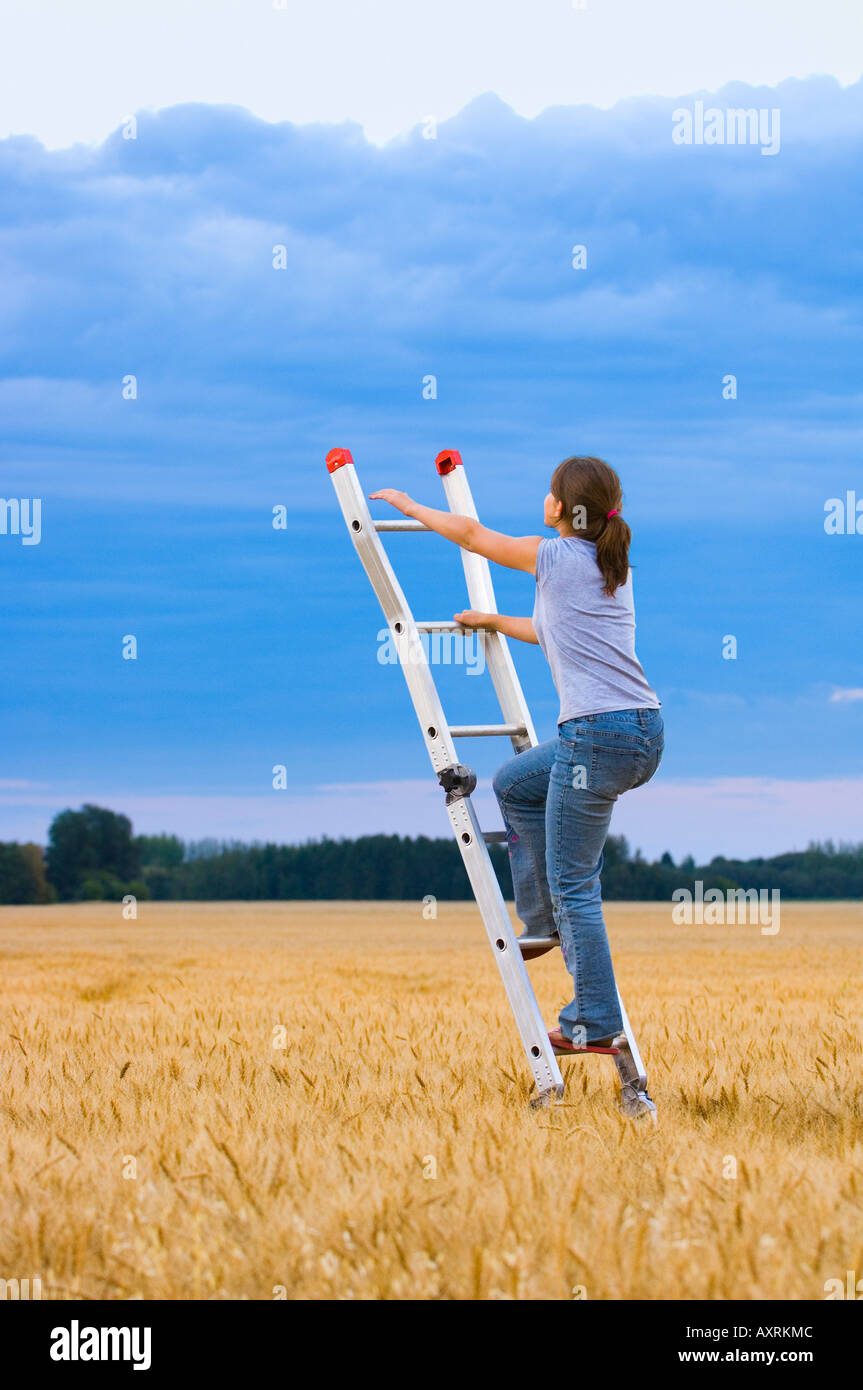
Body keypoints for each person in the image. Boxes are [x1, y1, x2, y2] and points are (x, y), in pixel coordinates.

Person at [369, 455, 662, 1056]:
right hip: (642, 731)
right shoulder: (612, 567)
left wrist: (413, 508)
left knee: (576, 882)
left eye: (549, 491)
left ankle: (592, 1021)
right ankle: (542, 919)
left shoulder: (556, 556)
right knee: (514, 784)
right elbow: (553, 628)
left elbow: (475, 538)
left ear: (561, 506)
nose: (544, 497)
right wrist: (493, 621)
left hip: (596, 734)